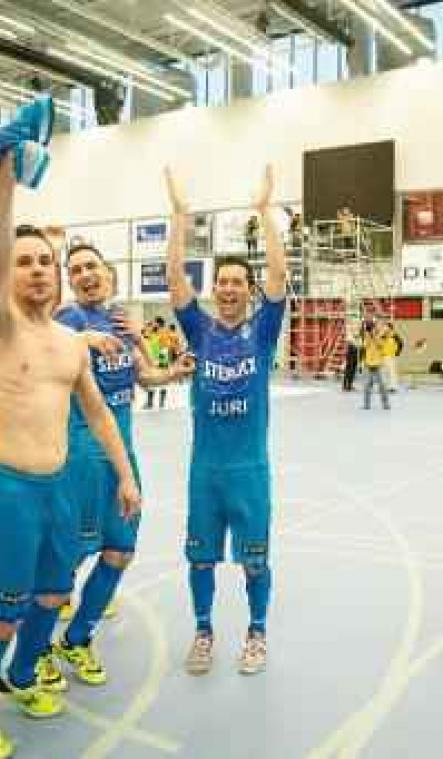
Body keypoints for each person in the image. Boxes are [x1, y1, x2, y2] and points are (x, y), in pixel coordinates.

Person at [0, 152, 141, 759]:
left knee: (54, 596)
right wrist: (6, 168)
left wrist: (127, 476)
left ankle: (22, 676)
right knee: (0, 616)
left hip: (60, 487)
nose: (35, 270)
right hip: (8, 489)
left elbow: (101, 414)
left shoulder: (69, 343)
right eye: (25, 262)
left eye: (44, 263)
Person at [42, 246, 194, 689]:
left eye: (93, 266)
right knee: (64, 563)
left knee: (120, 551)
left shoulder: (123, 321)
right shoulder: (66, 322)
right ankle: (35, 653)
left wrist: (175, 371)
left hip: (122, 458)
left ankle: (77, 638)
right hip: (81, 459)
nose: (86, 274)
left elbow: (142, 377)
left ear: (110, 273)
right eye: (77, 270)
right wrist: (74, 340)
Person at [165, 165, 286, 675]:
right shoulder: (200, 331)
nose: (231, 288)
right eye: (224, 282)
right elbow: (174, 278)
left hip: (249, 473)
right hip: (205, 474)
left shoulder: (261, 333)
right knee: (200, 560)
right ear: (214, 290)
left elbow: (280, 276)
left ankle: (256, 633)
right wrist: (179, 218)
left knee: (254, 561)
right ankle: (203, 630)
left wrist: (265, 211)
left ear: (250, 290)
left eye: (239, 281)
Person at [361, 320, 390, 411]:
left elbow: (380, 345)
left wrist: (375, 336)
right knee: (367, 385)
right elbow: (365, 346)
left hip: (378, 364)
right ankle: (366, 404)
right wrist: (368, 335)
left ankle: (385, 404)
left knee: (382, 385)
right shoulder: (367, 337)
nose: (372, 330)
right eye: (371, 328)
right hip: (369, 364)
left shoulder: (381, 336)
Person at [342, 328, 361, 392]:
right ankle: (345, 385)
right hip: (351, 350)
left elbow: (359, 343)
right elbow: (349, 340)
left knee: (353, 369)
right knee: (349, 369)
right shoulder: (350, 332)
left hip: (355, 351)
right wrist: (355, 337)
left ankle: (349, 384)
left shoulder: (358, 333)